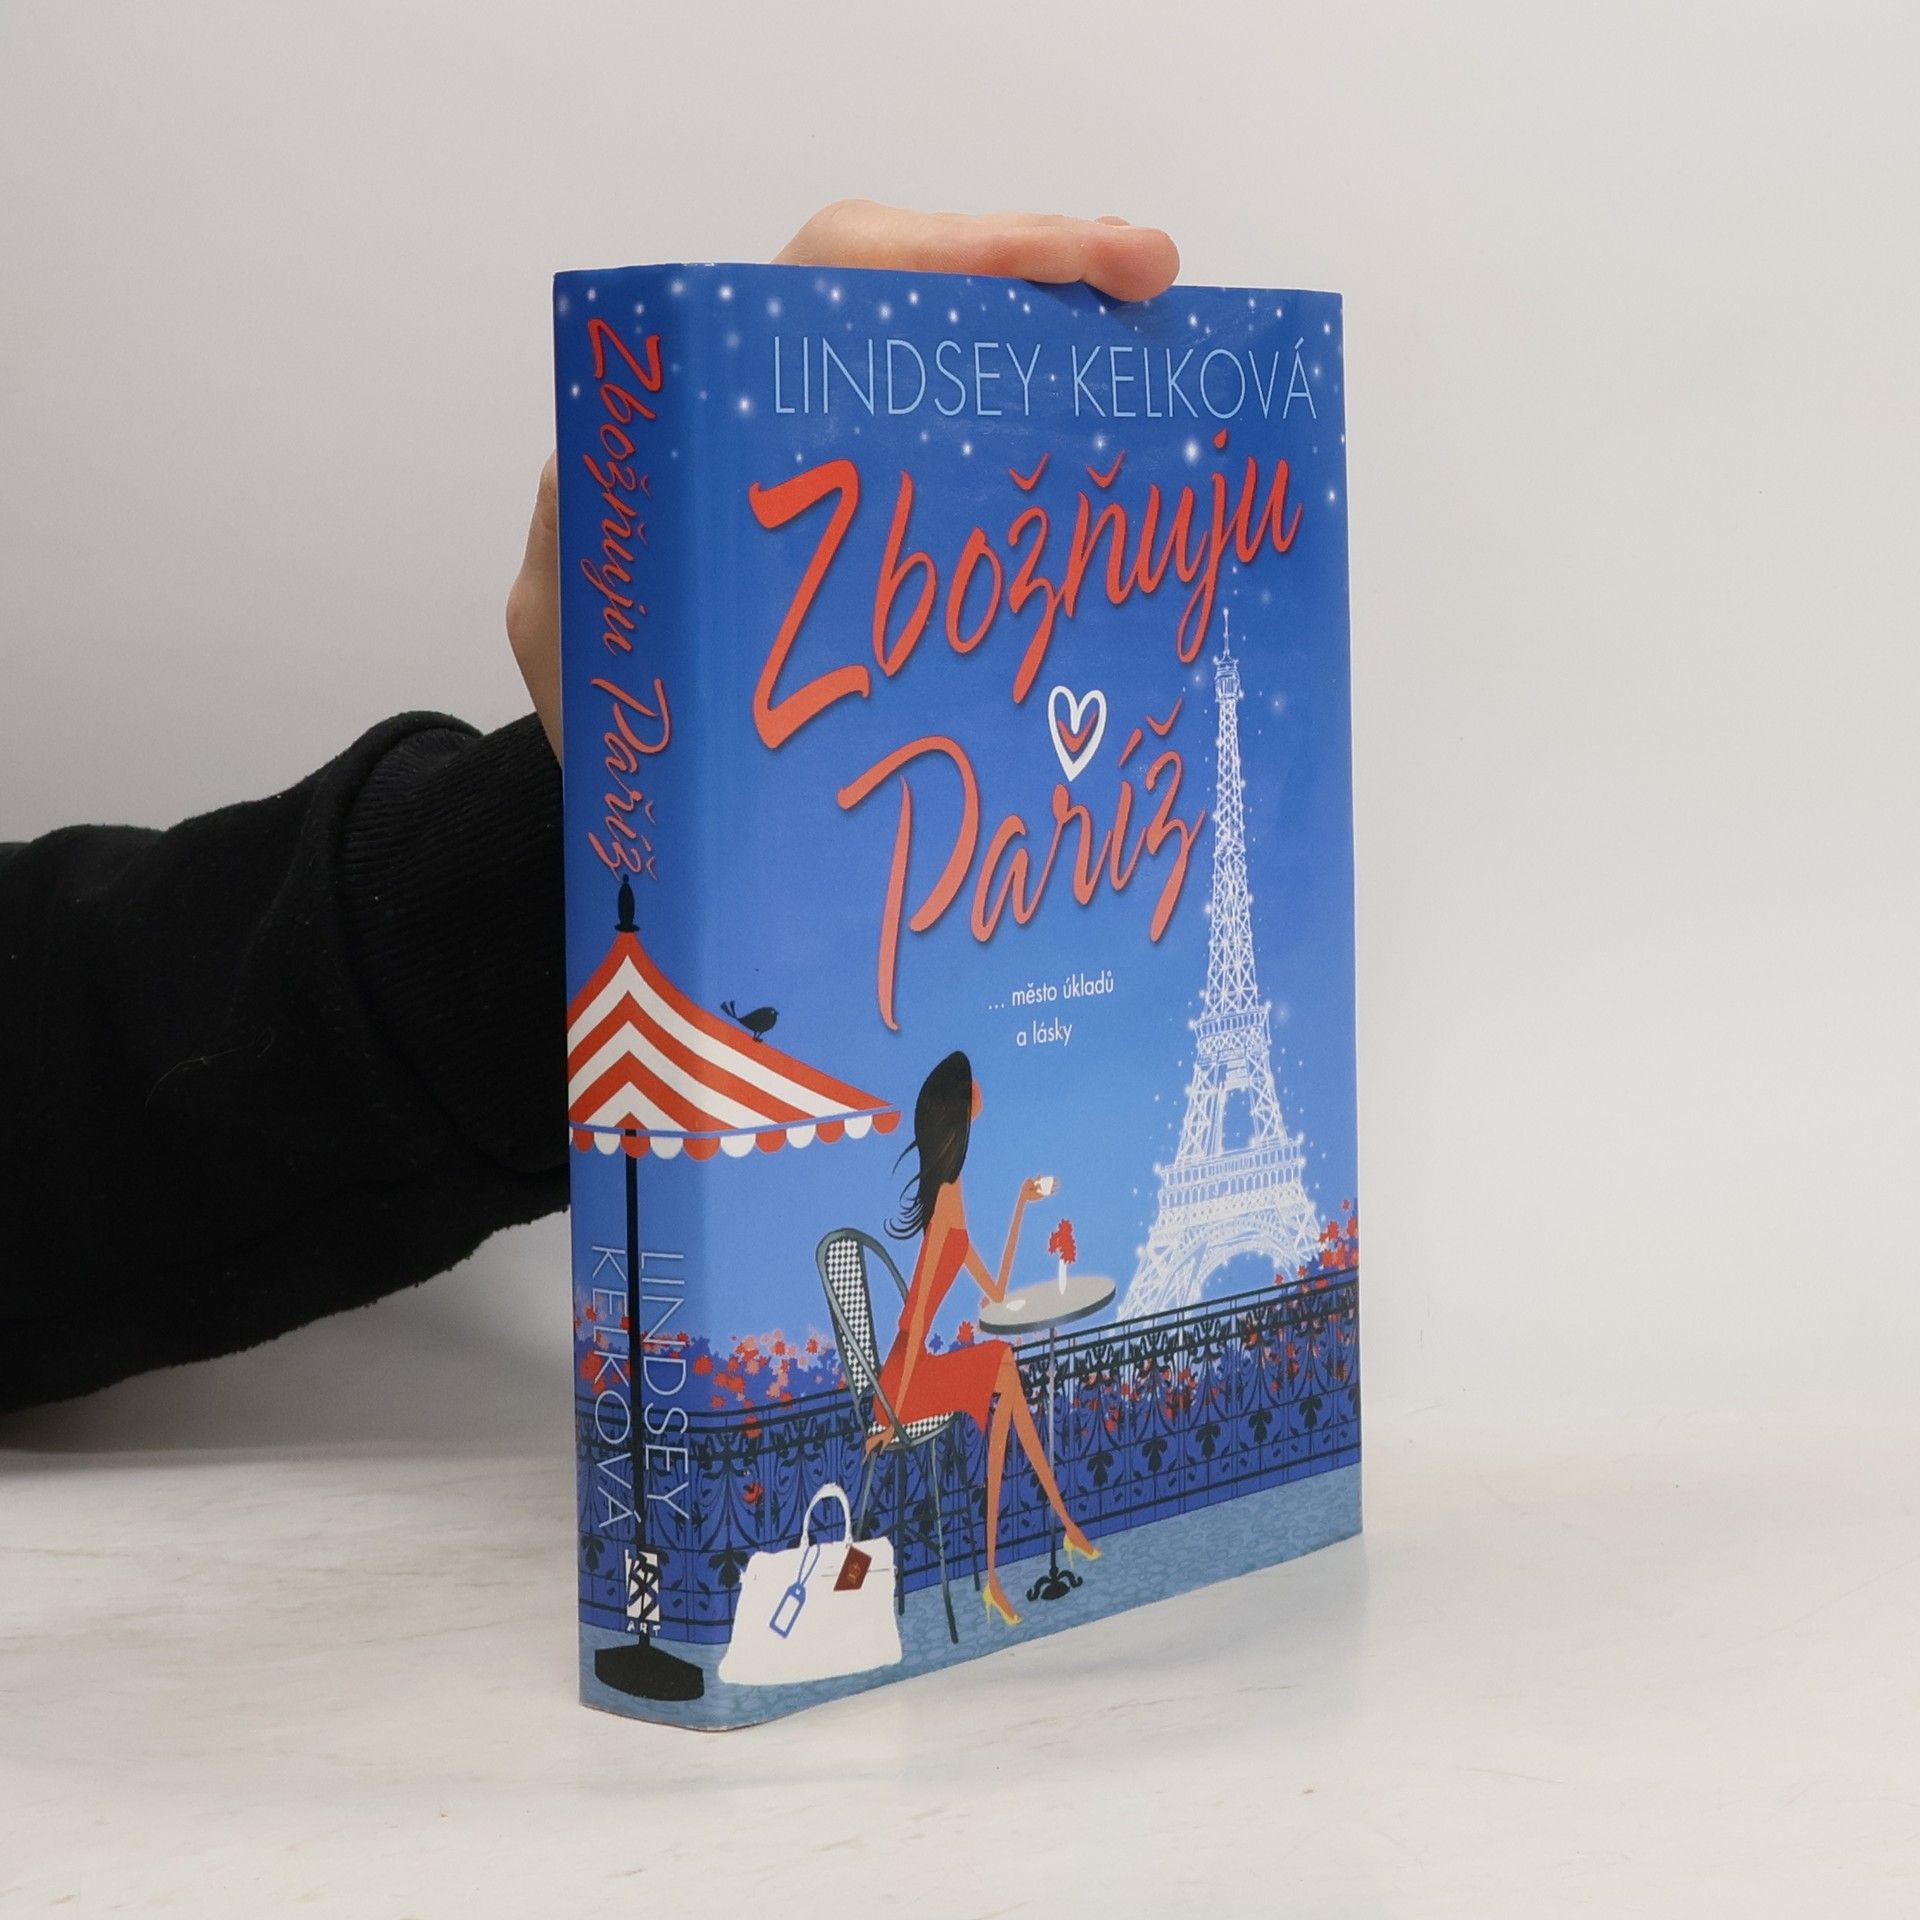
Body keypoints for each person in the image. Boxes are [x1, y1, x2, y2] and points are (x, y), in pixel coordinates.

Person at [0, 202, 1180, 1416]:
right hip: (901, 1378)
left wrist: (651, 816)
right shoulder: (946, 1202)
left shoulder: (931, 1193)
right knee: (1019, 1391)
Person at [873, 1050, 1099, 1627]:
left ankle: (1020, 1559)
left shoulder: (953, 1193)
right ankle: (1053, 1534)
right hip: (903, 1379)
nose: (979, 1091)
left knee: (1006, 1374)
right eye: (969, 1085)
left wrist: (1021, 1205)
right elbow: (913, 1318)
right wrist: (891, 1413)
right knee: (1004, 1365)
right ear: (957, 1110)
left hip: (911, 1369)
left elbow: (995, 1288)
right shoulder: (945, 1202)